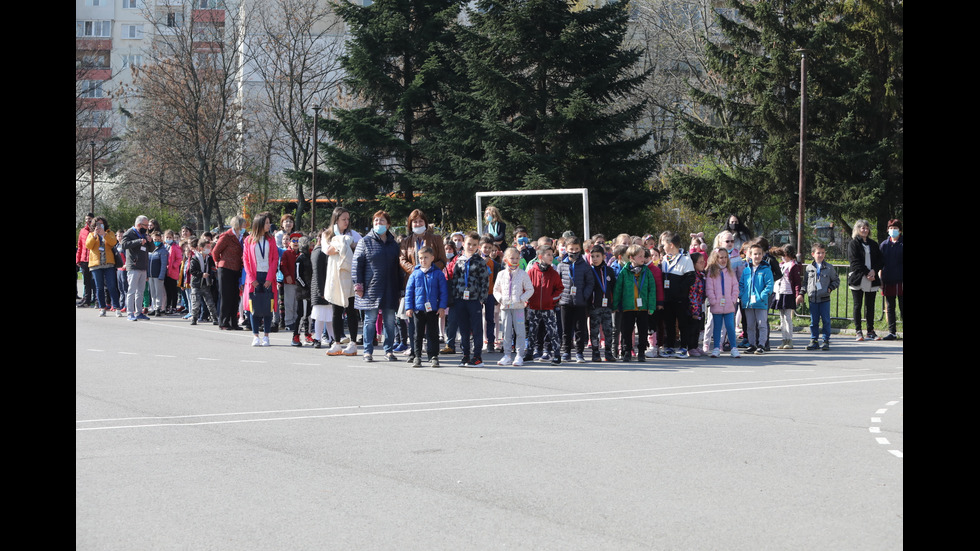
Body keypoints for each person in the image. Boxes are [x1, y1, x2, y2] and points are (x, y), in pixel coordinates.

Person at [398, 209, 448, 361]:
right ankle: (415, 352)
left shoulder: (436, 238)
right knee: (414, 325)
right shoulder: (406, 241)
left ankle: (433, 355)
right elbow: (402, 259)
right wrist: (416, 270)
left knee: (431, 327)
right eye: (414, 222)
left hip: (432, 285)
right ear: (410, 224)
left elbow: (442, 259)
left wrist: (429, 271)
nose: (417, 224)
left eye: (420, 221)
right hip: (414, 284)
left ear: (425, 223)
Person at [353, 210, 402, 362]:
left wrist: (400, 289)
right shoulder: (365, 241)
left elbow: (398, 268)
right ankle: (367, 351)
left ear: (388, 225)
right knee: (370, 320)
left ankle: (389, 350)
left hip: (390, 287)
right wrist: (358, 285)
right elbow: (356, 265)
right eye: (375, 221)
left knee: (389, 321)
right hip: (370, 288)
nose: (378, 224)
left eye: (381, 221)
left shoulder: (394, 245)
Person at [449, 232, 490, 367]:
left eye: (474, 245)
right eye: (468, 244)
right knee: (463, 328)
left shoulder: (480, 262)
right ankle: (466, 355)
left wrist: (481, 299)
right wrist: (454, 297)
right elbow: (454, 280)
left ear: (478, 246)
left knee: (476, 329)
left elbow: (485, 282)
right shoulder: (459, 260)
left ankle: (477, 356)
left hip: (474, 300)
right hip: (460, 299)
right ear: (463, 244)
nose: (471, 247)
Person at [324, 208, 362, 356]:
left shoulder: (353, 234)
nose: (346, 222)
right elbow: (328, 250)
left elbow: (359, 246)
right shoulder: (328, 234)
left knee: (352, 310)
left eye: (348, 219)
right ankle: (337, 342)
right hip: (335, 276)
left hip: (350, 277)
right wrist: (345, 244)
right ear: (336, 219)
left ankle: (353, 342)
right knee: (336, 311)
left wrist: (343, 245)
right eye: (343, 219)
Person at [404, 246, 449, 367]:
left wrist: (441, 307)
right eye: (420, 258)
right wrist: (409, 307)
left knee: (432, 334)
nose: (423, 260)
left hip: (433, 309)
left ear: (432, 258)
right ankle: (417, 356)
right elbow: (409, 292)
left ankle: (433, 356)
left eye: (426, 258)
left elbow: (443, 292)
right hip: (418, 310)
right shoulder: (415, 274)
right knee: (417, 334)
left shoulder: (438, 274)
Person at [612, 245, 657, 362]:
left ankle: (641, 352)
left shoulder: (647, 272)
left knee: (642, 330)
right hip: (628, 307)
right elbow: (618, 289)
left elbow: (652, 290)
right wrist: (615, 305)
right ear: (631, 258)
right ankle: (627, 352)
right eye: (640, 256)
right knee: (627, 330)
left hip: (643, 307)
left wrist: (651, 306)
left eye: (643, 256)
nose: (643, 258)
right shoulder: (624, 272)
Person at [242, 214, 280, 347]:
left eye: (269, 223)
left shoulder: (271, 239)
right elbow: (245, 260)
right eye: (267, 223)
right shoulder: (248, 240)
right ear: (259, 224)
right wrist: (251, 278)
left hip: (268, 275)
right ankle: (255, 335)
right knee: (254, 307)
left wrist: (270, 277)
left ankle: (267, 336)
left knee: (268, 307)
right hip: (254, 277)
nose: (269, 225)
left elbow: (275, 259)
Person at [494, 247, 534, 366]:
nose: (515, 260)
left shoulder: (523, 274)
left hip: (519, 308)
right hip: (505, 307)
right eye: (512, 258)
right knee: (506, 332)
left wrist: (522, 299)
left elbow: (530, 289)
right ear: (506, 259)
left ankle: (519, 355)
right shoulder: (501, 274)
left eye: (517, 258)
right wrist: (500, 299)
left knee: (520, 331)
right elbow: (496, 289)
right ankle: (507, 355)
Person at [557, 236, 595, 363]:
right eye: (571, 249)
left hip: (580, 302)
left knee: (580, 329)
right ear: (566, 249)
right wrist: (560, 295)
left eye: (577, 249)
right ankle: (566, 352)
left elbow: (590, 282)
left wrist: (585, 295)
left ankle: (579, 353)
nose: (574, 251)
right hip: (565, 302)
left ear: (580, 249)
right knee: (566, 329)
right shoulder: (562, 265)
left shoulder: (585, 266)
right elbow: (557, 282)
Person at [659, 231, 696, 358]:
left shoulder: (685, 259)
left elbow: (691, 278)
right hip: (667, 298)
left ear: (671, 244)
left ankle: (683, 347)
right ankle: (669, 346)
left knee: (682, 323)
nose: (662, 247)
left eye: (664, 244)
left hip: (680, 299)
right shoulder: (664, 259)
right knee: (668, 323)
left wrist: (680, 290)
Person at [525, 245, 563, 365]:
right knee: (532, 332)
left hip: (548, 308)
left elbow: (560, 289)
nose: (551, 257)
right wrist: (527, 301)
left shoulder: (554, 273)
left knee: (552, 331)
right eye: (548, 255)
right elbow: (525, 288)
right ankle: (529, 353)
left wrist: (551, 300)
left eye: (552, 254)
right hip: (533, 308)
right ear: (540, 257)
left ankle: (557, 354)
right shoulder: (531, 272)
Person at [847, 219, 884, 341]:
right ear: (857, 229)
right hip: (858, 277)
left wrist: (873, 270)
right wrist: (866, 272)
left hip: (872, 278)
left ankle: (870, 331)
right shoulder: (853, 244)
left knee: (870, 305)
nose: (865, 230)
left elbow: (880, 260)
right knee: (858, 305)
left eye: (867, 228)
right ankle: (858, 331)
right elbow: (855, 261)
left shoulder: (873, 244)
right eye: (862, 228)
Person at [799, 243, 839, 350]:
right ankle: (814, 340)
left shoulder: (829, 268)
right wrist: (802, 293)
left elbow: (836, 280)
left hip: (824, 299)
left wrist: (830, 288)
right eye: (818, 253)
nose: (820, 255)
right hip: (813, 299)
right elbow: (805, 282)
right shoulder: (809, 268)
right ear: (813, 254)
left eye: (822, 253)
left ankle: (825, 340)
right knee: (814, 321)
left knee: (826, 320)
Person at [212, 216, 247, 330]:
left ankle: (233, 322)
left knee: (234, 296)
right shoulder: (227, 236)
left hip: (236, 269)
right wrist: (218, 263)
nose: (244, 227)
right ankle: (223, 322)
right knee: (226, 296)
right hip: (225, 269)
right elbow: (215, 251)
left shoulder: (242, 237)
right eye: (243, 224)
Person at [705, 247, 741, 358]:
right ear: (715, 258)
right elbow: (709, 288)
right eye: (721, 257)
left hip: (729, 305)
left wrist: (733, 299)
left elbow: (735, 286)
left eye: (726, 257)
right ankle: (716, 347)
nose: (723, 260)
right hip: (716, 305)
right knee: (717, 327)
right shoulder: (711, 272)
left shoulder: (730, 272)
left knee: (730, 326)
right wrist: (713, 300)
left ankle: (734, 348)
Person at [740, 242, 774, 355]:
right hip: (748, 302)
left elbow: (769, 285)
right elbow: (741, 284)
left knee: (761, 324)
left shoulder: (766, 270)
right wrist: (742, 295)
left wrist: (763, 296)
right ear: (750, 255)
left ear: (763, 255)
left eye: (759, 254)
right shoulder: (746, 270)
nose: (757, 256)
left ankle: (761, 345)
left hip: (761, 302)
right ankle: (752, 344)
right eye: (755, 254)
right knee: (750, 325)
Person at [85, 216, 121, 317]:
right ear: (94, 226)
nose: (99, 226)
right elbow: (88, 246)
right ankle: (102, 307)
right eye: (97, 224)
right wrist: (95, 235)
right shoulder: (91, 234)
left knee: (112, 286)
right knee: (99, 287)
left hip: (108, 264)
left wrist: (104, 234)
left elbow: (113, 242)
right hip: (96, 265)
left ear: (104, 224)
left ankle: (117, 307)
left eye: (101, 224)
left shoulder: (109, 233)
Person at [588, 244, 617, 362]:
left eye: (597, 256)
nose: (595, 259)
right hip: (595, 306)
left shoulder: (609, 271)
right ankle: (595, 352)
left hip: (607, 307)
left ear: (604, 256)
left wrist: (614, 304)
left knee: (608, 330)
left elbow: (614, 288)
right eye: (592, 256)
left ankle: (608, 352)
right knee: (594, 331)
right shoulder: (589, 271)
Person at [120, 216, 152, 321]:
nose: (147, 228)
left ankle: (139, 312)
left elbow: (152, 249)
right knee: (132, 291)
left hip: (143, 266)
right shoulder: (129, 233)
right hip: (133, 266)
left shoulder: (144, 234)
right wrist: (138, 241)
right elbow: (124, 244)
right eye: (145, 225)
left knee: (141, 291)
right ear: (139, 225)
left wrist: (150, 241)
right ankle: (130, 313)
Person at [879, 219, 903, 340]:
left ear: (900, 230)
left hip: (901, 280)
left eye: (895, 228)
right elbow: (880, 264)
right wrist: (880, 280)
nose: (893, 230)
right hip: (888, 279)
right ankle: (892, 332)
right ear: (888, 230)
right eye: (891, 228)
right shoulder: (884, 245)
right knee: (890, 307)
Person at [774, 244, 802, 349]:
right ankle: (783, 339)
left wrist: (797, 294)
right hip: (780, 293)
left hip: (788, 293)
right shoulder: (781, 265)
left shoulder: (793, 266)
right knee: (781, 317)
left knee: (787, 318)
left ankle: (789, 340)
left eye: (784, 255)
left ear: (789, 254)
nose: (782, 257)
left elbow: (797, 282)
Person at [188, 237, 219, 326]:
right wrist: (201, 274)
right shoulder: (195, 258)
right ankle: (194, 319)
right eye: (207, 247)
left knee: (210, 303)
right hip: (197, 284)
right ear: (201, 248)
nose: (209, 249)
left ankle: (214, 318)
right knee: (196, 303)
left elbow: (212, 268)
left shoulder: (209, 258)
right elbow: (192, 270)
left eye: (209, 247)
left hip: (206, 284)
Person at [291, 236, 313, 347]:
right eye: (309, 243)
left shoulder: (309, 257)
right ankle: (295, 335)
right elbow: (298, 276)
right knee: (301, 314)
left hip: (309, 291)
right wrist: (305, 286)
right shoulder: (300, 259)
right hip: (302, 292)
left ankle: (308, 334)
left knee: (309, 315)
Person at [687, 252, 707, 356]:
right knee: (692, 328)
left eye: (703, 261)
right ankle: (690, 347)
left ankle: (695, 346)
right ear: (694, 264)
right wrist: (694, 310)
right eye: (700, 262)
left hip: (701, 306)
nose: (703, 263)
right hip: (694, 308)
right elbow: (692, 294)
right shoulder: (693, 277)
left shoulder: (702, 275)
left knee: (698, 328)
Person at [147, 230, 169, 316]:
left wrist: (161, 275)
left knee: (158, 292)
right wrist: (147, 274)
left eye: (158, 240)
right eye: (155, 239)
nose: (156, 241)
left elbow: (164, 265)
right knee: (152, 292)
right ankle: (154, 307)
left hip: (158, 275)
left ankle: (158, 308)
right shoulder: (150, 250)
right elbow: (147, 263)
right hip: (151, 275)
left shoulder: (163, 251)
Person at [163, 229, 182, 314]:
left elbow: (179, 258)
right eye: (167, 237)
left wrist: (173, 266)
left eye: (170, 237)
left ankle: (173, 306)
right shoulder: (164, 246)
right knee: (167, 290)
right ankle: (168, 305)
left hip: (173, 271)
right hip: (165, 270)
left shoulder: (175, 247)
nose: (168, 239)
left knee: (173, 290)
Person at [114, 229, 129, 313]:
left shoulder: (124, 246)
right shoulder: (116, 246)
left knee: (125, 288)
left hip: (124, 269)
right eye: (119, 236)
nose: (120, 238)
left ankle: (126, 306)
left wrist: (125, 265)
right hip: (118, 270)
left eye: (122, 236)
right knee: (120, 289)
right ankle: (121, 305)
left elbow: (127, 257)